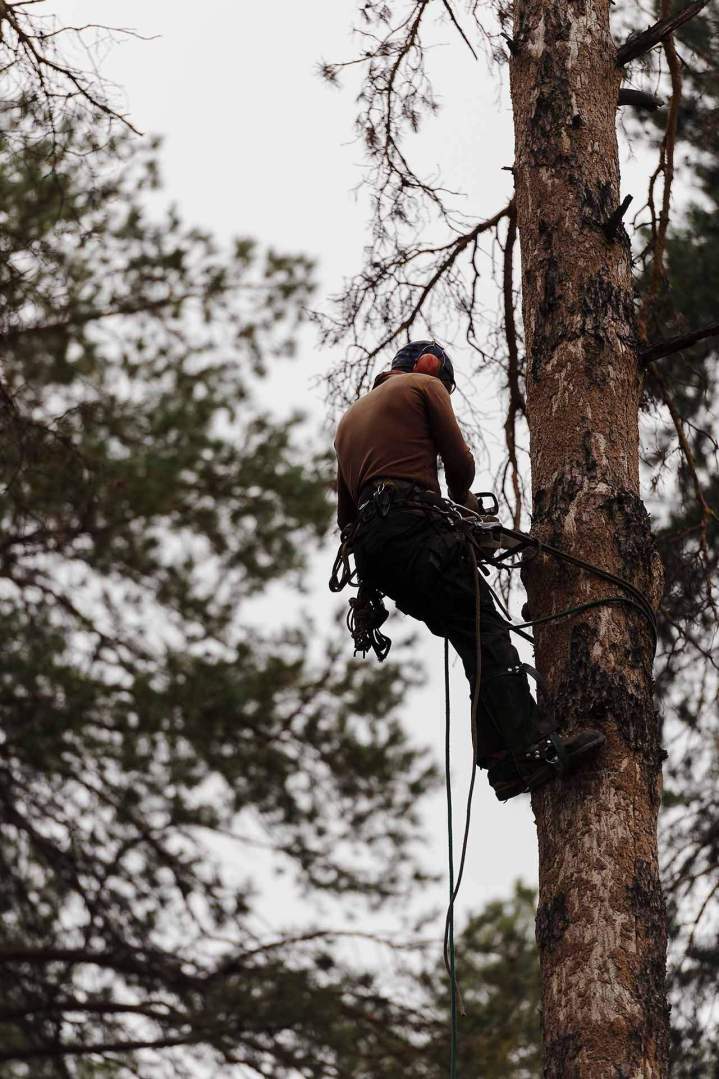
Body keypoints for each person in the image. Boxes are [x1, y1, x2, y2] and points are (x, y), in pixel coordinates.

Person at [333, 339, 604, 801]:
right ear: (429, 365)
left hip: (377, 557)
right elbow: (460, 465)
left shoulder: (347, 424)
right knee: (488, 633)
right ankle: (535, 749)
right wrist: (464, 508)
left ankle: (503, 762)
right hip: (413, 531)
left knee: (472, 638)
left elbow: (346, 517)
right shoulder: (424, 385)